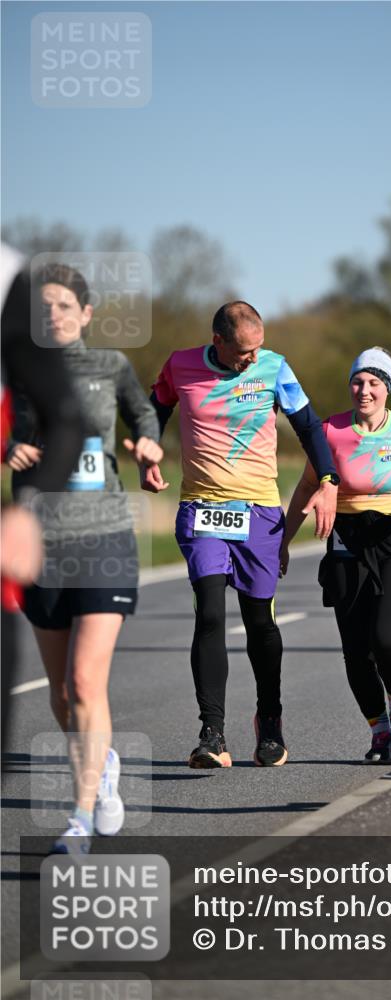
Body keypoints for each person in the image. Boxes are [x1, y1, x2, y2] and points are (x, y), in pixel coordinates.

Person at [8, 262, 162, 852]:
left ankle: (79, 814)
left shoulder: (109, 365)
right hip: (40, 543)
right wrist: (9, 446)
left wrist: (148, 443)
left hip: (103, 540)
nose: (53, 316)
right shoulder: (17, 373)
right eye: (43, 309)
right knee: (60, 694)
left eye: (64, 307)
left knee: (83, 680)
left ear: (86, 314)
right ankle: (106, 764)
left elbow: (142, 411)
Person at [143, 301, 338, 768]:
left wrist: (328, 482)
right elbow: (154, 410)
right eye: (244, 352)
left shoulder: (274, 368)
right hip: (202, 509)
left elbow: (309, 426)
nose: (253, 358)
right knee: (209, 615)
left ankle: (269, 722)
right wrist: (149, 454)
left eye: (258, 348)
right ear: (218, 342)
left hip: (258, 514)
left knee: (260, 625)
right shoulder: (180, 365)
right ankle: (211, 733)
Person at [281, 348, 391, 764]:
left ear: (387, 389)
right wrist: (282, 542)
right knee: (356, 650)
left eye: (374, 383)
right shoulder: (328, 432)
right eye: (358, 382)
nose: (365, 390)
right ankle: (378, 731)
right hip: (346, 543)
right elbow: (307, 489)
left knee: (387, 638)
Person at [1, 244, 83, 753]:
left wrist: (26, 512)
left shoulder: (6, 277)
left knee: (79, 681)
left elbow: (66, 418)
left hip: (92, 535)